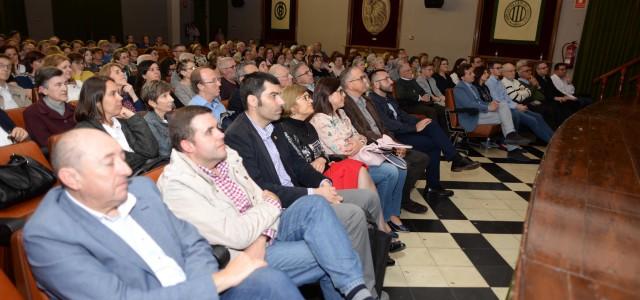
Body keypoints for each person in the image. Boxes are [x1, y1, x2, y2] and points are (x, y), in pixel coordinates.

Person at [23, 128, 303, 300]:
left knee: (270, 280)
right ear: (72, 178)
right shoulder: (48, 235)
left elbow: (192, 243)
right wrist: (217, 281)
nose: (126, 170)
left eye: (122, 158)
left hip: (197, 290)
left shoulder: (141, 190)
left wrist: (201, 288)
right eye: (110, 164)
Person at [158, 106, 374, 300]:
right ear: (188, 145)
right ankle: (356, 290)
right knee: (334, 253)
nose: (221, 134)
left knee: (315, 205)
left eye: (217, 127)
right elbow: (238, 233)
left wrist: (265, 227)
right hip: (240, 255)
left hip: (265, 230)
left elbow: (261, 198)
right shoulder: (178, 185)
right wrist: (269, 211)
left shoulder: (227, 156)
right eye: (209, 132)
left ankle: (355, 291)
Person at [225, 72, 382, 298]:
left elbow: (298, 165)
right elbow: (262, 188)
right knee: (353, 215)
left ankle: (363, 277)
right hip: (282, 207)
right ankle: (365, 290)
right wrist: (314, 193)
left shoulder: (274, 127)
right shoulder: (238, 135)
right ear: (252, 100)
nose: (281, 101)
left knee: (367, 198)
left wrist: (324, 183)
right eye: (274, 96)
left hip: (301, 193)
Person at [369, 69, 480, 198]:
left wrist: (420, 121)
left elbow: (402, 115)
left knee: (430, 125)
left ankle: (443, 175)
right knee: (433, 143)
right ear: (376, 84)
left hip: (403, 131)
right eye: (386, 79)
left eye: (389, 78)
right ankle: (449, 166)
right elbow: (387, 124)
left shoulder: (389, 97)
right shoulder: (372, 101)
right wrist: (414, 128)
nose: (391, 81)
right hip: (392, 137)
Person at [339, 66, 431, 214]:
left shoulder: (366, 100)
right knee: (405, 163)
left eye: (365, 77)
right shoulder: (345, 104)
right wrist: (388, 146)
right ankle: (393, 204)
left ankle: (402, 198)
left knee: (421, 159)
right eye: (361, 78)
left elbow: (382, 126)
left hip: (383, 143)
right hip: (370, 148)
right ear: (350, 84)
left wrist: (395, 144)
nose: (365, 80)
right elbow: (362, 132)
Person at [75, 76, 159, 172]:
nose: (120, 97)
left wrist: (133, 117)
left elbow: (151, 151)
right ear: (97, 101)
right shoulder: (86, 131)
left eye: (118, 93)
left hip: (145, 171)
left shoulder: (124, 120)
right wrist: (143, 158)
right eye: (112, 94)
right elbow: (117, 164)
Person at [454, 64, 532, 161]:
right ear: (462, 77)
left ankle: (511, 141)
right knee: (505, 117)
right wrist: (488, 107)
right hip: (469, 117)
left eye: (472, 72)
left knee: (502, 105)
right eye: (470, 73)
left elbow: (479, 102)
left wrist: (491, 103)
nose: (473, 75)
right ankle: (512, 146)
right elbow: (469, 104)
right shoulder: (459, 88)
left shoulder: (472, 87)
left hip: (478, 114)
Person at [486, 62, 554, 143]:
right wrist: (516, 106)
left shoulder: (499, 82)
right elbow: (498, 101)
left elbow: (508, 98)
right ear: (491, 70)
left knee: (538, 116)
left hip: (510, 106)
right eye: (498, 68)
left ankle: (555, 138)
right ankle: (551, 142)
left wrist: (517, 105)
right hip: (502, 108)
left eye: (501, 67)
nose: (500, 70)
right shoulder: (490, 83)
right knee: (532, 120)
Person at [23, 67, 76, 149]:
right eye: (58, 85)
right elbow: (46, 143)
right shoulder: (32, 112)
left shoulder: (73, 108)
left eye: (65, 83)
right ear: (43, 90)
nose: (64, 88)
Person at [394, 62, 448, 132]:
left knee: (441, 109)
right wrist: (419, 98)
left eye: (410, 70)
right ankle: (435, 132)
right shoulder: (399, 83)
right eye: (408, 70)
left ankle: (445, 133)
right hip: (408, 106)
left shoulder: (412, 80)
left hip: (419, 103)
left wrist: (425, 95)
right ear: (402, 73)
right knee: (431, 111)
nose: (411, 72)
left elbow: (421, 90)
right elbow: (401, 95)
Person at [141, 80, 174, 157]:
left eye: (170, 94)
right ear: (152, 103)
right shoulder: (148, 122)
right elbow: (165, 151)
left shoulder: (169, 116)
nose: (172, 99)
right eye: (164, 96)